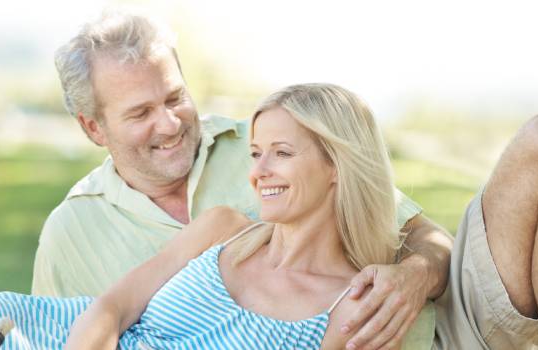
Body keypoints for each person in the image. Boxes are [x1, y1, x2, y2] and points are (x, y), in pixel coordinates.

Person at [32, 11, 450, 349]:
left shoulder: (265, 139)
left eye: (175, 97)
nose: (170, 123)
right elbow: (81, 320)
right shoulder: (72, 230)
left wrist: (416, 276)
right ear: (94, 128)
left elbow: (420, 233)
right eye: (140, 113)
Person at [0, 83, 440, 349]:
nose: (258, 171)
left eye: (281, 153)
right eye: (255, 152)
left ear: (337, 166)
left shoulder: (349, 307)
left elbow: (437, 245)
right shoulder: (224, 228)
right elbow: (112, 308)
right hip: (38, 331)